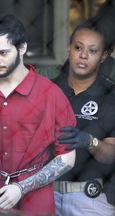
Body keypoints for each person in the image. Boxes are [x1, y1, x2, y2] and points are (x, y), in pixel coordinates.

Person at [0, 14, 76, 215]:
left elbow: (67, 158)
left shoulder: (51, 94)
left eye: (2, 52)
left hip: (36, 198)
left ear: (22, 48)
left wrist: (21, 187)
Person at [52, 19, 115, 215]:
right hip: (46, 193)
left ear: (104, 56)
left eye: (93, 51)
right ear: (69, 48)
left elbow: (111, 155)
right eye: (78, 47)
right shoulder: (49, 89)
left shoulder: (110, 97)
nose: (84, 55)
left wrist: (89, 141)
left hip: (90, 200)